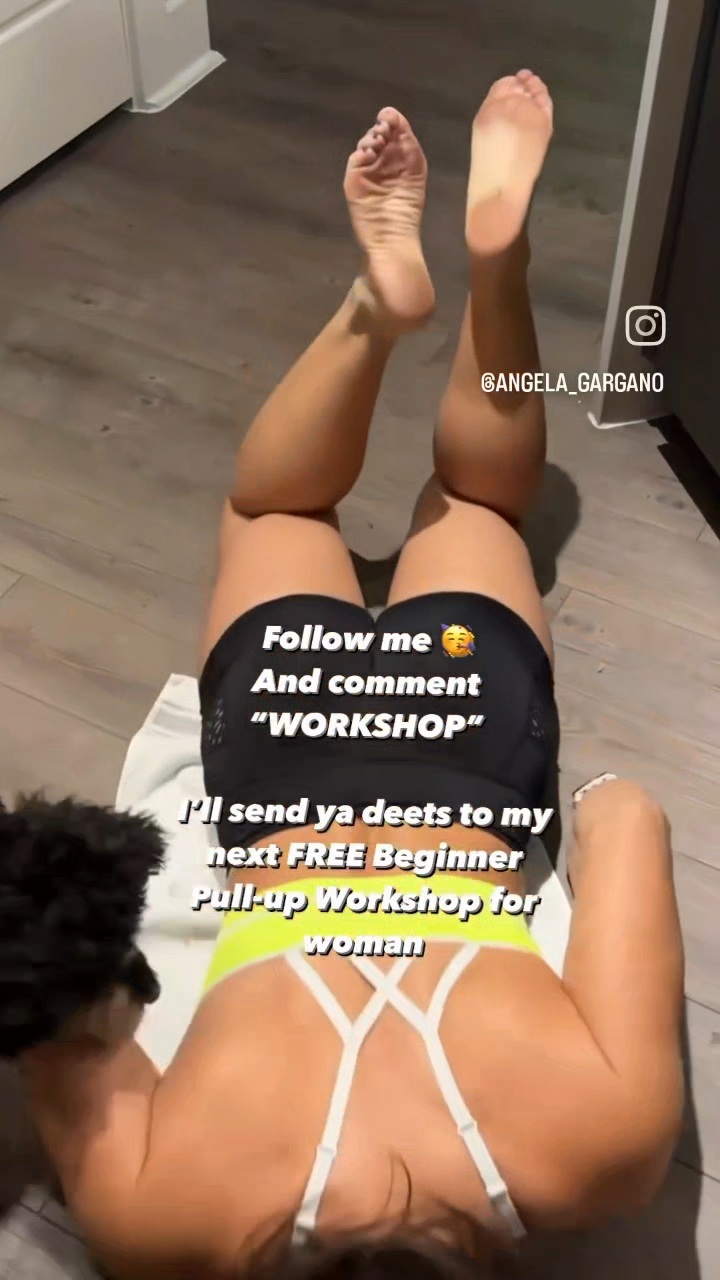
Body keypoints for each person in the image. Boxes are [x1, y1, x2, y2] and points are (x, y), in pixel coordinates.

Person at [18, 71, 684, 1280]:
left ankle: (494, 270)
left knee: (474, 503)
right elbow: (54, 967)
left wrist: (563, 837)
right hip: (284, 767)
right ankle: (376, 304)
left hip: (465, 763)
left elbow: (625, 817)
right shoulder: (159, 1215)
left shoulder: (607, 1145)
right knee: (276, 509)